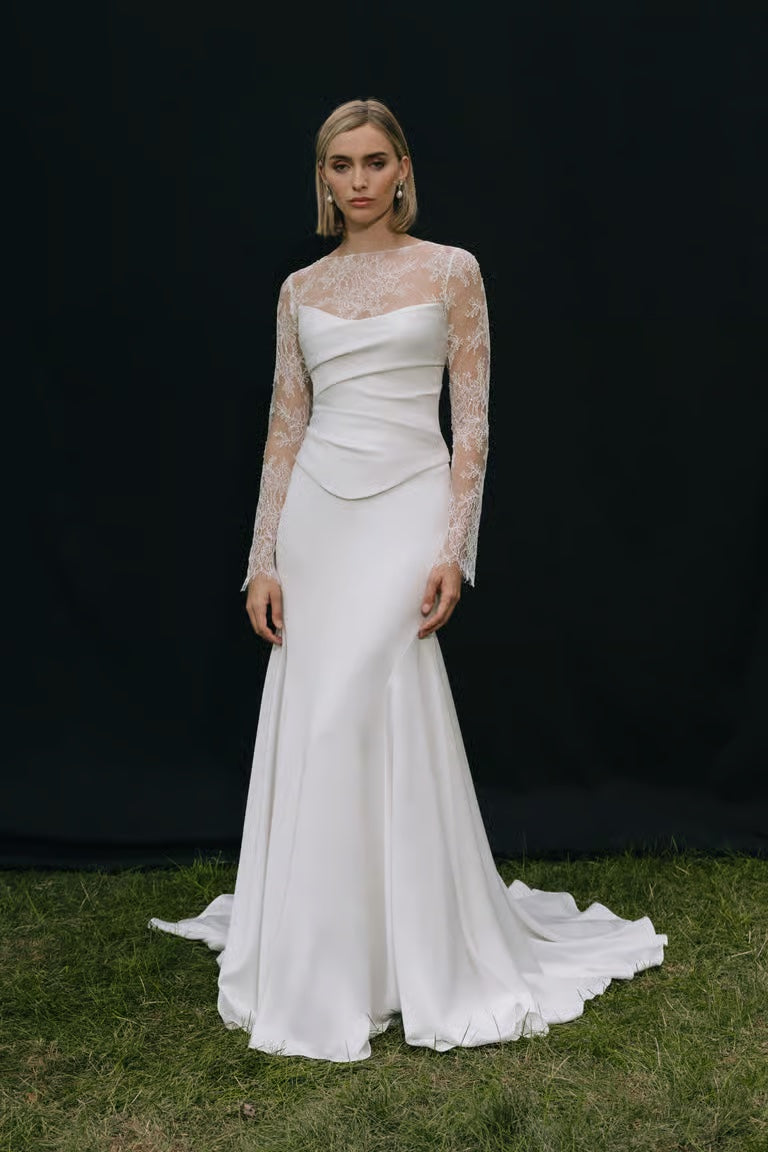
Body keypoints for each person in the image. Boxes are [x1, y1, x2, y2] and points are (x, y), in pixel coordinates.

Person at [149, 97, 667, 1062]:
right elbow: (283, 427)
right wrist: (260, 557)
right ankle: (329, 950)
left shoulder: (451, 271)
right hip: (317, 517)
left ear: (402, 169)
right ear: (323, 178)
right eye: (340, 165)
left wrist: (452, 549)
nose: (357, 181)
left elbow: (471, 421)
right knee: (320, 714)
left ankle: (400, 949)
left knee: (365, 707)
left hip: (407, 508)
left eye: (373, 162)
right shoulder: (300, 288)